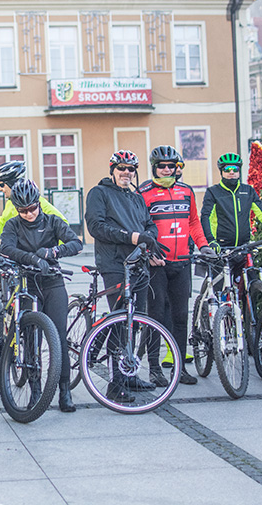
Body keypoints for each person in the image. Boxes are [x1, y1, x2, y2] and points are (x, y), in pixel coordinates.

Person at [84, 150, 166, 402]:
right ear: (112, 170)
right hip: (114, 265)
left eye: (131, 169)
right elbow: (96, 227)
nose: (126, 173)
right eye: (121, 168)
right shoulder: (99, 193)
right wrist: (132, 237)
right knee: (120, 323)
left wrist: (149, 239)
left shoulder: (136, 197)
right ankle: (115, 385)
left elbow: (148, 223)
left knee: (136, 321)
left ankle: (128, 375)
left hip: (138, 265)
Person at [0, 179, 83, 412]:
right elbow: (6, 248)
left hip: (53, 282)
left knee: (58, 337)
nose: (28, 214)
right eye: (23, 210)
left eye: (32, 208)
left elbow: (76, 243)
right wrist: (33, 258)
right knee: (30, 339)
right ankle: (35, 389)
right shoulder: (13, 225)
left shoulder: (52, 221)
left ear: (39, 203)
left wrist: (53, 251)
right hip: (28, 283)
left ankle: (64, 391)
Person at [139, 145, 215, 386]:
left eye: (171, 166)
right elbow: (139, 227)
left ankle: (180, 368)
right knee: (156, 316)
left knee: (181, 317)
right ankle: (154, 369)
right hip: (156, 264)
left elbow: (193, 222)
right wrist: (147, 252)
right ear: (154, 168)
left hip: (182, 263)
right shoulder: (144, 192)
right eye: (162, 166)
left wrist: (203, 246)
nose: (167, 170)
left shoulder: (186, 191)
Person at [0, 161, 67, 295]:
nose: (0, 189)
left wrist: (47, 248)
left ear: (11, 183)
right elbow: (4, 231)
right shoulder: (11, 203)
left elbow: (63, 225)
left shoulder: (37, 203)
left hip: (34, 253)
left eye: (1, 185)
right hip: (17, 250)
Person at [200, 153, 262, 253]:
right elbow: (205, 217)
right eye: (227, 169)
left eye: (235, 169)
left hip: (244, 247)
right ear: (221, 171)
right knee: (220, 268)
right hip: (221, 247)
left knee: (249, 269)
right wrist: (210, 240)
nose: (232, 172)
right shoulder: (213, 192)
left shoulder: (248, 191)